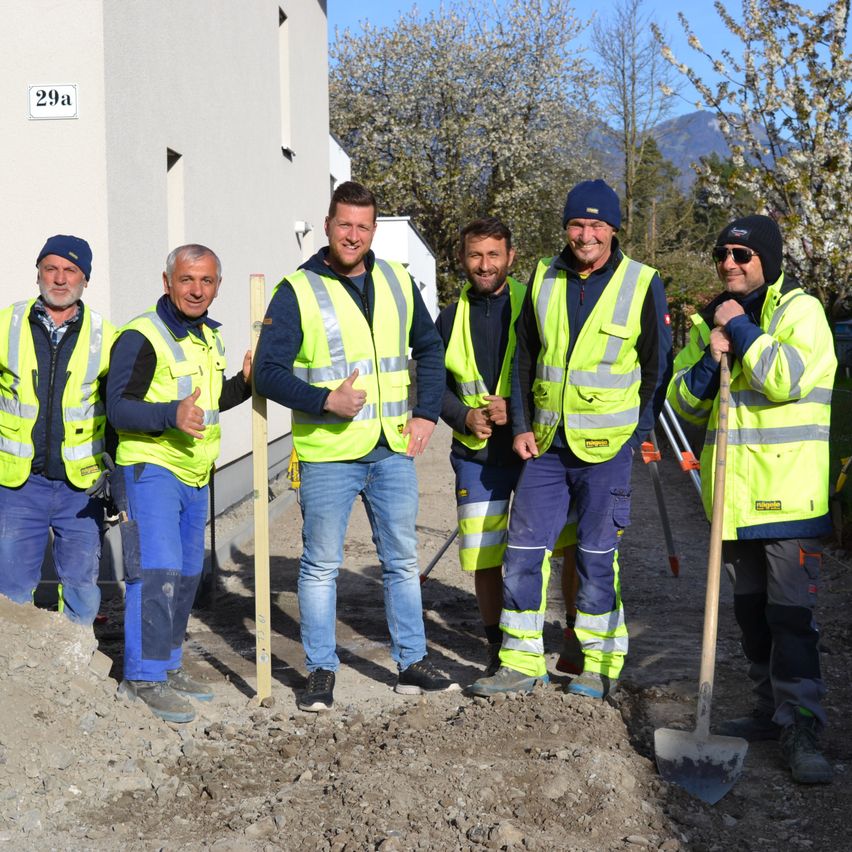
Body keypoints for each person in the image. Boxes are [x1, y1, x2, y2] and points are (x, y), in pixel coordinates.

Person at [254, 180, 457, 712]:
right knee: (320, 565)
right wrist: (324, 400)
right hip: (328, 454)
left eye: (363, 226)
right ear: (326, 224)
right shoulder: (296, 291)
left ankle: (412, 662)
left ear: (373, 230)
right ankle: (321, 671)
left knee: (401, 559)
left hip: (391, 449)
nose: (353, 235)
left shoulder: (395, 279)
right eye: (344, 224)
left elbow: (430, 349)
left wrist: (427, 414)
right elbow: (269, 374)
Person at [469, 179, 673, 699]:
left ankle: (600, 666)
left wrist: (637, 436)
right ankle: (518, 661)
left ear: (613, 229)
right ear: (567, 228)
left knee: (597, 557)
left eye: (596, 225)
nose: (586, 235)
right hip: (546, 444)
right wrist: (519, 426)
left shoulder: (641, 282)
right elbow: (524, 356)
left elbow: (657, 367)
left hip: (608, 448)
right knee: (522, 549)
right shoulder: (543, 275)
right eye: (577, 225)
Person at [668, 215, 835, 784]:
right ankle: (770, 711)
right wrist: (706, 356)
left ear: (767, 259)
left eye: (742, 253)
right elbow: (683, 407)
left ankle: (803, 724)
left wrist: (738, 330)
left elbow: (784, 379)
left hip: (788, 499)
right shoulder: (710, 319)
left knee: (790, 618)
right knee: (751, 616)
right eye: (723, 253)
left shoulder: (801, 312)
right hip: (733, 502)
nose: (729, 263)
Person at [106, 244, 251, 724]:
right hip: (151, 468)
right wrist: (170, 415)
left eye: (206, 281)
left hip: (194, 472)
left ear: (217, 287)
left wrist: (245, 384)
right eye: (187, 279)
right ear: (167, 281)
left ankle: (165, 665)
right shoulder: (142, 336)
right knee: (157, 571)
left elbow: (203, 407)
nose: (196, 289)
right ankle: (142, 676)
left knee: (188, 572)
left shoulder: (208, 337)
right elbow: (119, 408)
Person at [435, 217, 581, 677]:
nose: (484, 264)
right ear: (462, 259)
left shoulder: (534, 302)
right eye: (475, 255)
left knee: (563, 547)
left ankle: (572, 637)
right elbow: (431, 384)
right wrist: (464, 416)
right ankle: (500, 649)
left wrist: (519, 415)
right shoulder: (447, 317)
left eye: (493, 254)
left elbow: (556, 366)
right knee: (485, 554)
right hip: (476, 457)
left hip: (537, 449)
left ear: (510, 257)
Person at [0, 235, 114, 624]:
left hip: (80, 488)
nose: (60, 279)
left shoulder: (107, 334)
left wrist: (116, 473)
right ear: (38, 274)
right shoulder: (6, 323)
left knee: (81, 587)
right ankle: (13, 678)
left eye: (71, 270)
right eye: (51, 268)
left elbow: (117, 408)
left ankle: (76, 672)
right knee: (11, 590)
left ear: (86, 279)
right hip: (18, 484)